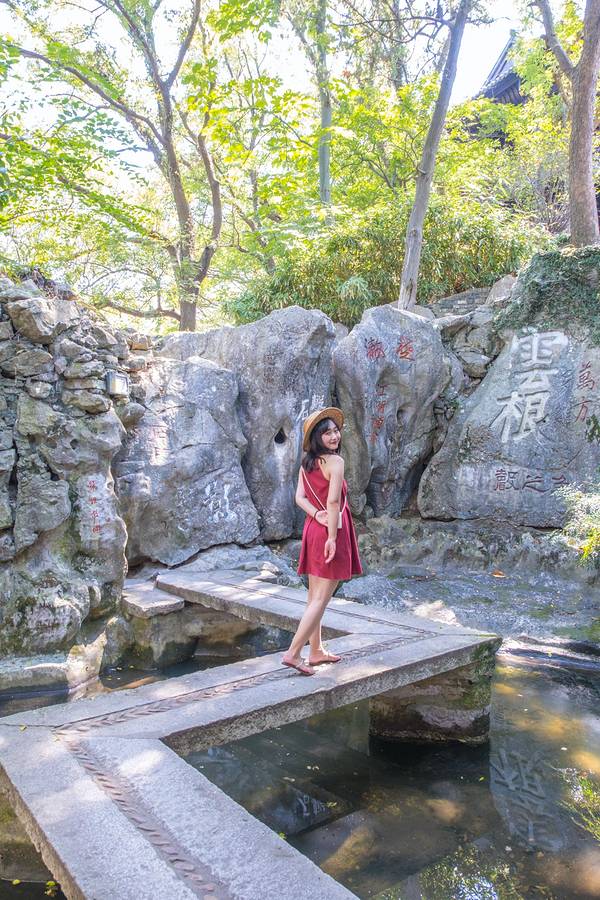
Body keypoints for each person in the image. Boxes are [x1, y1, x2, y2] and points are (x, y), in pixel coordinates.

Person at [282, 407, 363, 676]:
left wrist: (316, 516)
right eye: (327, 433)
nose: (334, 436)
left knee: (313, 598)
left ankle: (315, 651)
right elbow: (334, 501)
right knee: (320, 599)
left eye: (336, 431)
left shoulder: (307, 463)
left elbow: (299, 498)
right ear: (317, 437)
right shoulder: (335, 462)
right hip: (331, 531)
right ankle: (294, 653)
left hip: (313, 528)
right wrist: (332, 537)